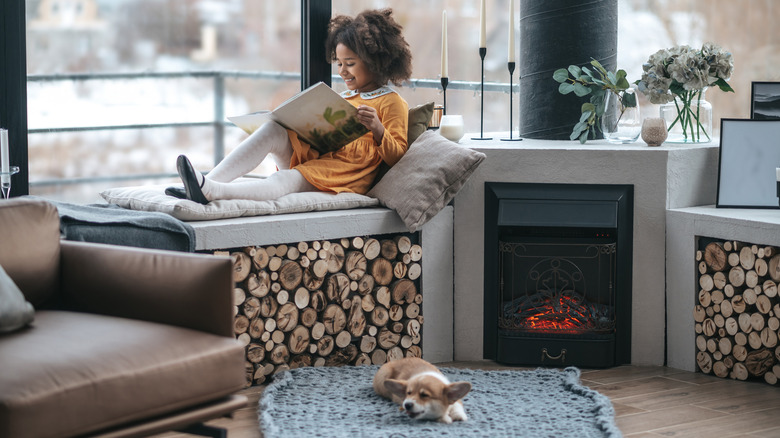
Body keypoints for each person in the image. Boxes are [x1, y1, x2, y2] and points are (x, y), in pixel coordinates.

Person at [170, 8, 413, 204]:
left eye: (349, 63)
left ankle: (214, 191)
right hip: (317, 155)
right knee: (271, 129)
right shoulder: (346, 98)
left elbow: (399, 157)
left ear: (375, 61)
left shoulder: (391, 101)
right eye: (338, 63)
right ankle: (205, 183)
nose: (342, 71)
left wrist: (378, 129)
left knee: (284, 179)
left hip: (345, 174)